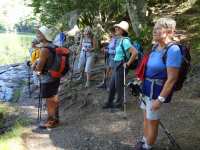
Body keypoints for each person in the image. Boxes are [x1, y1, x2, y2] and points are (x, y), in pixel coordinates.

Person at [134, 18, 182, 150]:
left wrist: (160, 100)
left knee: (152, 122)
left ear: (169, 31)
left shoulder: (173, 50)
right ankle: (144, 140)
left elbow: (172, 79)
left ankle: (148, 146)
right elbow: (148, 69)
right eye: (154, 28)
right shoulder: (155, 47)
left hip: (156, 92)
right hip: (146, 89)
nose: (154, 31)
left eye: (158, 28)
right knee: (145, 118)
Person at [102, 21, 137, 109]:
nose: (116, 29)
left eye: (118, 28)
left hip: (121, 65)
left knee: (119, 86)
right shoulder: (119, 40)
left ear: (123, 31)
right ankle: (109, 102)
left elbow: (135, 52)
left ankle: (119, 104)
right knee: (112, 84)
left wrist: (128, 64)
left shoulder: (125, 41)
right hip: (116, 64)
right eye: (116, 27)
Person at [32, 26, 61, 128]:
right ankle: (56, 119)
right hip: (56, 76)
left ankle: (51, 122)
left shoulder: (44, 50)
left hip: (47, 78)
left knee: (49, 100)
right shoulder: (54, 46)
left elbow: (39, 69)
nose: (37, 35)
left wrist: (33, 66)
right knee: (54, 98)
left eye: (39, 34)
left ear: (44, 36)